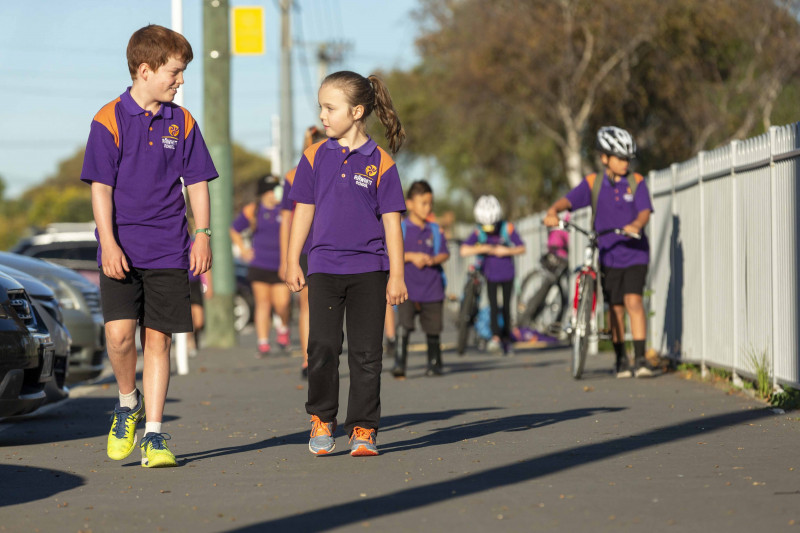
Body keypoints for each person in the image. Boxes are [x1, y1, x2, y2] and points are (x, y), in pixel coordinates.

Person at [80, 25, 217, 468]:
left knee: (156, 341)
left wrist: (202, 234)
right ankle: (128, 403)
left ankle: (154, 435)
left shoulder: (184, 121)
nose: (180, 81)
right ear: (145, 70)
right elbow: (101, 189)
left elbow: (196, 182)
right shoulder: (108, 120)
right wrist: (109, 244)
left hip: (169, 249)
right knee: (120, 338)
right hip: (121, 248)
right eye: (175, 73)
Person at [285, 70, 407, 457]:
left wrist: (397, 275)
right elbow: (303, 211)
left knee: (367, 353)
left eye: (329, 108)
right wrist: (292, 259)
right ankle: (322, 419)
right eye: (321, 106)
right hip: (323, 266)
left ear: (356, 111)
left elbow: (392, 224)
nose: (322, 115)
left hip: (370, 270)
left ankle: (364, 429)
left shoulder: (381, 162)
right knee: (321, 346)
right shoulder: (314, 156)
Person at [543, 126, 654, 378]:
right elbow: (568, 200)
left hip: (635, 253)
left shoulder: (636, 183)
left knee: (633, 301)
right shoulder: (594, 183)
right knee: (615, 307)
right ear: (604, 158)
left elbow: (645, 211)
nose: (625, 163)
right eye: (619, 158)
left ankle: (640, 358)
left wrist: (636, 225)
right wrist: (553, 211)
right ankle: (620, 359)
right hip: (608, 254)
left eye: (627, 158)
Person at [280, 126, 327, 378]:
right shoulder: (293, 176)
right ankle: (308, 359)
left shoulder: (335, 168)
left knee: (330, 305)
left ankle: (327, 354)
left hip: (330, 246)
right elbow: (286, 222)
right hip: (305, 248)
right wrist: (287, 259)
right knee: (306, 305)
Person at [392, 180, 450, 378]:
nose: (428, 207)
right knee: (404, 326)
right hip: (407, 287)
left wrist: (433, 259)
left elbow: (444, 253)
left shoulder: (434, 230)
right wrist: (412, 256)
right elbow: (391, 253)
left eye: (430, 203)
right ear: (409, 203)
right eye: (423, 203)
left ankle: (434, 363)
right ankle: (400, 362)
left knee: (433, 328)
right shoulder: (400, 228)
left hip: (432, 287)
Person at [231, 175, 291, 357]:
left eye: (276, 190)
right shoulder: (253, 210)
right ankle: (263, 342)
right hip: (259, 264)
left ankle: (283, 327)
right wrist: (243, 249)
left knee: (282, 304)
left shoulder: (285, 210)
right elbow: (234, 230)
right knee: (262, 304)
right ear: (263, 193)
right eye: (271, 190)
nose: (275, 194)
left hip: (281, 265)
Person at [460, 195, 526, 354]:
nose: (489, 230)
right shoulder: (478, 231)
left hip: (507, 273)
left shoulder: (507, 228)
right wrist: (484, 248)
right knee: (493, 306)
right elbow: (464, 250)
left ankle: (506, 338)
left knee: (506, 308)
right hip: (490, 274)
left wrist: (507, 251)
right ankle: (496, 336)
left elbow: (522, 247)